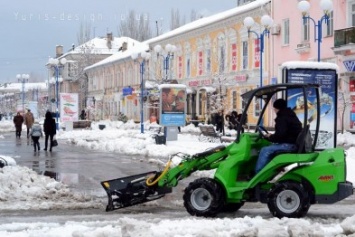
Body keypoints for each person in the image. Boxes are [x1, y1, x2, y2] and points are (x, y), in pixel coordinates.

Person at [255, 99, 302, 174]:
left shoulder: (282, 118)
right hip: (292, 142)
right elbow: (284, 132)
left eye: (274, 108)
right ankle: (268, 171)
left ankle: (258, 173)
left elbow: (280, 135)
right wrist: (272, 136)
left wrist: (270, 137)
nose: (274, 110)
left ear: (277, 108)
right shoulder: (290, 115)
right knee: (269, 147)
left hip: (289, 144)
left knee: (265, 150)